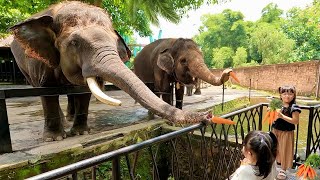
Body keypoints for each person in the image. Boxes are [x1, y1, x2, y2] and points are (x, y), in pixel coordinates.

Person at [272, 85, 301, 180]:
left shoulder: (294, 107)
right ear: (280, 95)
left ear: (294, 95)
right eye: (284, 93)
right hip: (275, 130)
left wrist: (281, 116)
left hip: (287, 132)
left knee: (285, 150)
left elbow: (295, 121)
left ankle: (283, 170)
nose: (287, 96)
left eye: (290, 93)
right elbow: (272, 116)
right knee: (274, 149)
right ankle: (273, 166)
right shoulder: (277, 104)